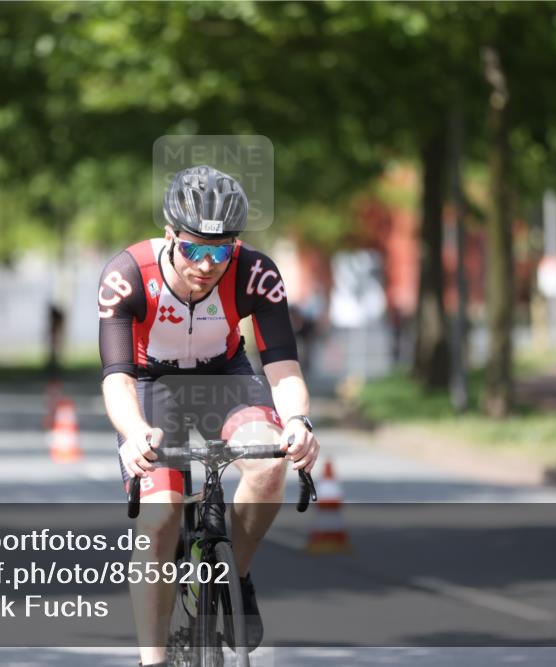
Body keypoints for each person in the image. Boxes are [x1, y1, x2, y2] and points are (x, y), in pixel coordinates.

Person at [98, 165, 320, 665]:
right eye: (193, 249)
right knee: (160, 517)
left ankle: (233, 574)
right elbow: (116, 378)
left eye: (219, 252)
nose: (205, 264)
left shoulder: (256, 274)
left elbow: (283, 368)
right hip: (151, 382)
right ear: (169, 235)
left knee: (268, 466)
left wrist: (297, 422)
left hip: (224, 375)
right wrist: (134, 433)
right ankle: (153, 660)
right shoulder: (127, 276)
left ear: (234, 246)